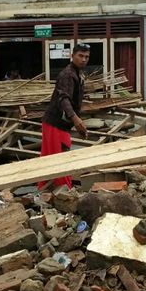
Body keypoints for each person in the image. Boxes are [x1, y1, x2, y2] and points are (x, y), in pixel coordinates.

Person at [38, 43, 90, 190]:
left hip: (58, 123)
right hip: (56, 123)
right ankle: (63, 192)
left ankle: (44, 191)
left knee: (51, 159)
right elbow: (63, 99)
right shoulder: (67, 74)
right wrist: (75, 119)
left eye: (86, 57)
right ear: (72, 56)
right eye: (80, 56)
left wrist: (77, 122)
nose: (83, 59)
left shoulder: (78, 74)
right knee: (60, 161)